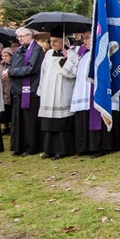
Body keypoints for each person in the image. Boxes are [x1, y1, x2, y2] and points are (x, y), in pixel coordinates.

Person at [38, 30, 79, 160]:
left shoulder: (72, 54)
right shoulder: (48, 54)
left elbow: (75, 73)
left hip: (62, 92)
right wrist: (41, 89)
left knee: (61, 123)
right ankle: (48, 149)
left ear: (63, 41)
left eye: (55, 41)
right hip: (48, 92)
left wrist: (65, 60)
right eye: (51, 41)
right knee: (48, 123)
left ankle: (61, 150)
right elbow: (43, 72)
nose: (53, 43)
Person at [5, 27, 45, 156]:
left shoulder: (36, 49)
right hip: (18, 90)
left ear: (30, 36)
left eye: (22, 36)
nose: (20, 39)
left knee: (29, 121)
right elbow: (11, 64)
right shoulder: (19, 50)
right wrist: (8, 71)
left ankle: (31, 147)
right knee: (18, 120)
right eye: (18, 37)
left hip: (30, 90)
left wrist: (11, 72)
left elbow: (31, 68)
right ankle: (18, 145)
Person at [0, 47, 13, 135]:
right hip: (2, 90)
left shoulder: (13, 65)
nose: (4, 57)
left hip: (10, 89)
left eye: (6, 56)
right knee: (4, 111)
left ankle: (12, 126)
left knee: (10, 110)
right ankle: (5, 126)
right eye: (3, 56)